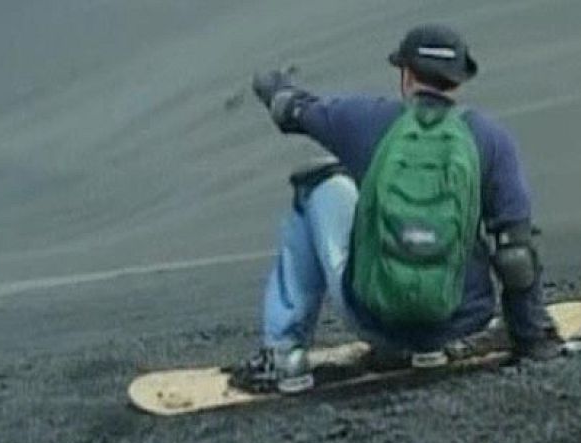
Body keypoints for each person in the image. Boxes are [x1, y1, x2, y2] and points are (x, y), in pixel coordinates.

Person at [231, 24, 561, 394]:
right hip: (463, 321)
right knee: (503, 237)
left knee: (315, 185)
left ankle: (284, 356)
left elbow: (290, 111)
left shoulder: (365, 119)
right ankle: (435, 348)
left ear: (406, 74)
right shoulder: (490, 137)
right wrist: (530, 340)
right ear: (458, 81)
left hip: (375, 320)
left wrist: (270, 82)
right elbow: (515, 252)